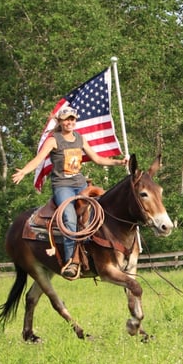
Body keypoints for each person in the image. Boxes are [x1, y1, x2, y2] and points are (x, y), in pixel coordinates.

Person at [12, 106, 128, 279]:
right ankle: (71, 261)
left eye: (72, 119)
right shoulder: (54, 140)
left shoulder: (80, 138)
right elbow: (38, 159)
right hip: (62, 186)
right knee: (70, 218)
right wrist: (23, 172)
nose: (70, 122)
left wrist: (119, 163)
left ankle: (100, 252)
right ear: (60, 121)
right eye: (67, 119)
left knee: (100, 210)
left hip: (81, 184)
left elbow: (97, 159)